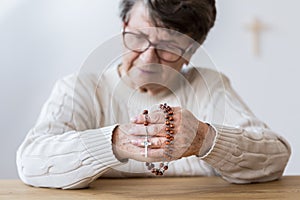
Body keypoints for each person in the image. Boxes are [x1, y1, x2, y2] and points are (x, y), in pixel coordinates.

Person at [16, 0, 291, 189]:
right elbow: (30, 162)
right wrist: (116, 142)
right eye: (138, 37)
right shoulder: (80, 88)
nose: (149, 59)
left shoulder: (209, 85)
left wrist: (204, 139)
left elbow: (275, 157)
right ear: (124, 26)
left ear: (191, 51)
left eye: (169, 46)